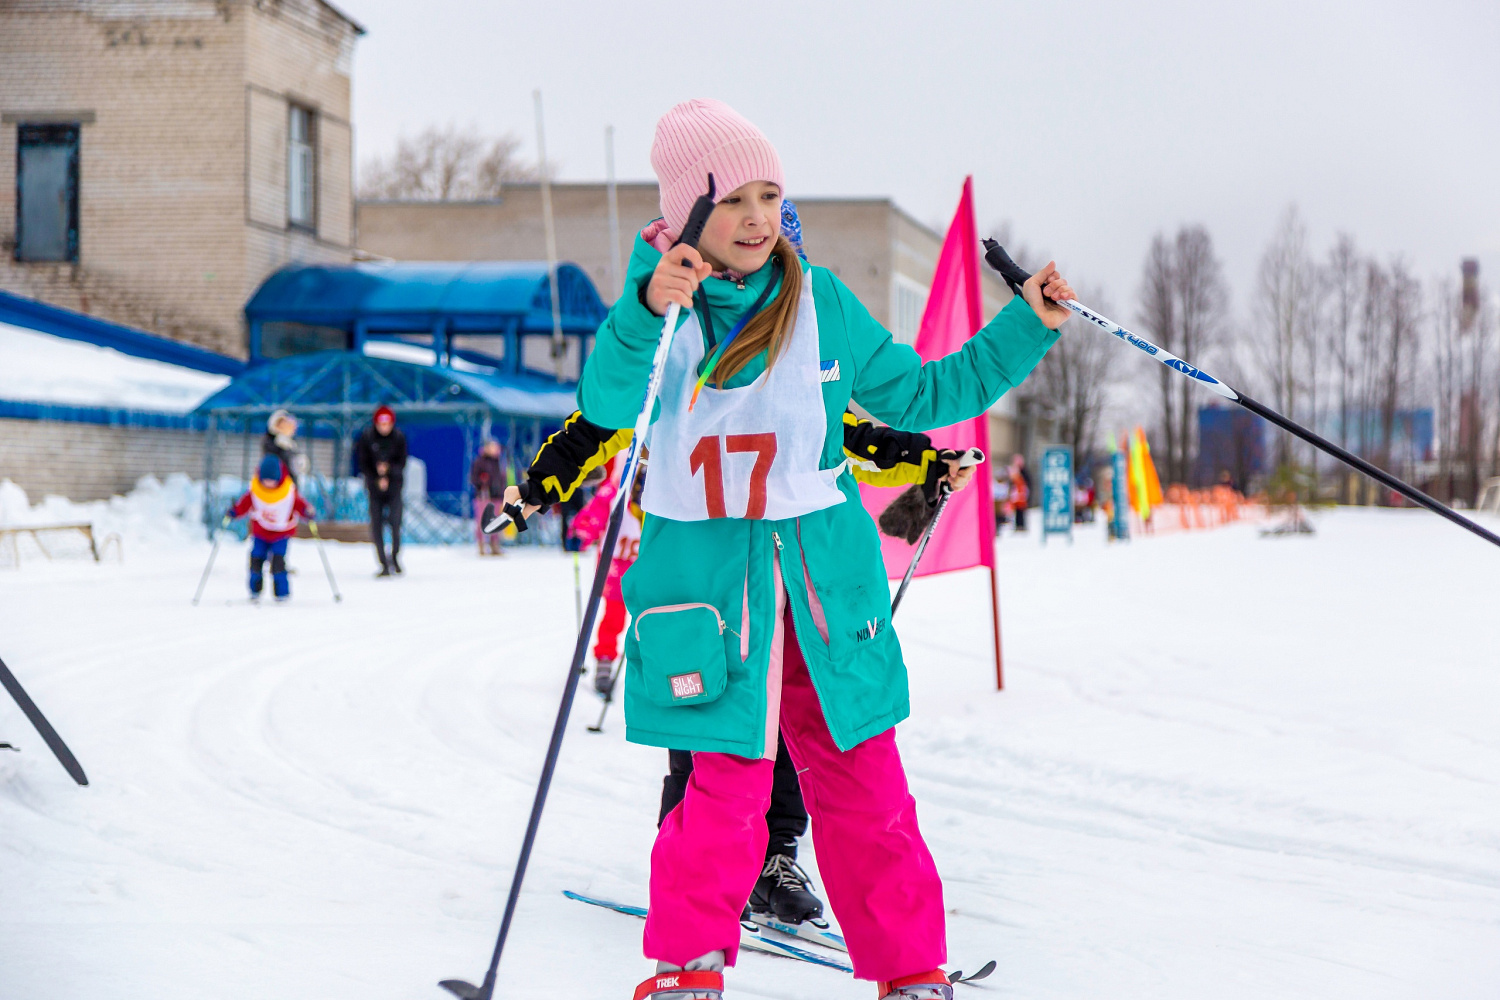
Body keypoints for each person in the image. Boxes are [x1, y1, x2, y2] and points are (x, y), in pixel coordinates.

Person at [560, 99, 1072, 1000]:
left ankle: (911, 972)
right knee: (721, 801)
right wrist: (646, 305)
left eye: (769, 194)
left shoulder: (822, 300)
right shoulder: (660, 313)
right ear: (686, 214)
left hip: (829, 600)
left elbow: (920, 394)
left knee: (869, 794)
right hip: (713, 604)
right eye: (733, 201)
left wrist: (1023, 324)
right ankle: (686, 972)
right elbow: (605, 403)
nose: (758, 218)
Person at [227, 455, 312, 602]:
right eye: (265, 480)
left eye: (272, 480)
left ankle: (282, 593)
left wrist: (307, 512)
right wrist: (235, 511)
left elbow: (299, 504)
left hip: (281, 533)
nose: (268, 484)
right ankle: (255, 590)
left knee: (278, 561)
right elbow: (245, 504)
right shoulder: (256, 490)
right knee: (256, 558)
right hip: (261, 532)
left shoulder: (287, 491)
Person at [357, 404, 407, 576]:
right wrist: (376, 477)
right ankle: (383, 562)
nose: (384, 428)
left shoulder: (399, 438)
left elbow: (402, 462)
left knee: (395, 522)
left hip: (394, 488)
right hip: (374, 489)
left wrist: (389, 471)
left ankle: (394, 556)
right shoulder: (367, 437)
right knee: (376, 525)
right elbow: (363, 462)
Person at [469, 439, 507, 556]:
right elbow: (473, 478)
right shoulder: (480, 462)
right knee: (482, 520)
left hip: (496, 495)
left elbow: (501, 479)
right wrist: (482, 482)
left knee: (495, 520)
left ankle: (494, 544)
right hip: (483, 495)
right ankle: (481, 544)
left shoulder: (499, 463)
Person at [262, 409, 307, 487]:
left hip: (290, 485)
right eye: (283, 425)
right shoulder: (272, 442)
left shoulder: (291, 444)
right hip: (276, 486)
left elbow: (295, 467)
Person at [1008, 453, 1031, 532]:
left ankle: (1022, 524)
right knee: (1017, 510)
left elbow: (1028, 483)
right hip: (1016, 494)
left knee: (1021, 510)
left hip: (1022, 494)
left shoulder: (1023, 472)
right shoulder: (1015, 471)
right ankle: (1017, 524)